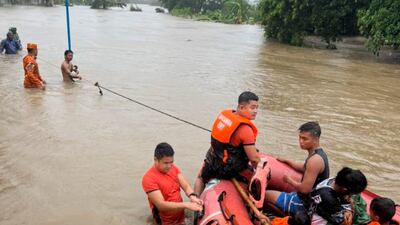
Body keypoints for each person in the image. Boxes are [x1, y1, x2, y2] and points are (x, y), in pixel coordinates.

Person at [194, 91, 261, 195]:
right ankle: (253, 200)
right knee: (258, 177)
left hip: (212, 159)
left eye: (257, 107)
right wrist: (260, 170)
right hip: (227, 168)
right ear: (242, 107)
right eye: (252, 108)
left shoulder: (225, 115)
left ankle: (195, 200)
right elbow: (254, 159)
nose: (256, 111)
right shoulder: (245, 129)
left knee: (200, 177)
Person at [265, 121, 330, 216]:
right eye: (300, 138)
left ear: (316, 139)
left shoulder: (315, 160)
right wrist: (288, 161)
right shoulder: (318, 154)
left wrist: (289, 180)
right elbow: (304, 167)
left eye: (305, 139)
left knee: (265, 194)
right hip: (308, 200)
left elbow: (305, 189)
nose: (301, 141)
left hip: (304, 204)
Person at [142, 142, 203, 225]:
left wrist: (192, 196)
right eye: (166, 163)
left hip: (181, 218)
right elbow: (161, 205)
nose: (169, 166)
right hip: (165, 222)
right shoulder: (149, 178)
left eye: (171, 162)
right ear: (156, 160)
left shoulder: (172, 168)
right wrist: (186, 205)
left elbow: (185, 186)